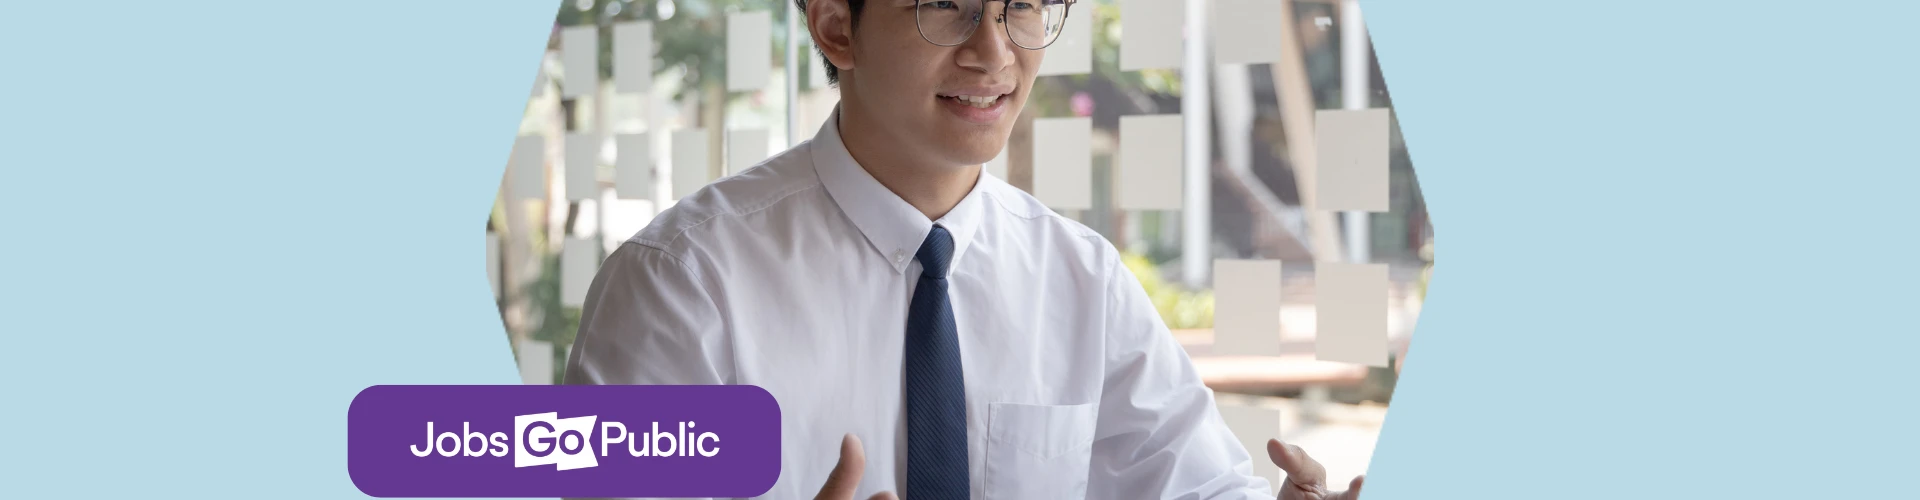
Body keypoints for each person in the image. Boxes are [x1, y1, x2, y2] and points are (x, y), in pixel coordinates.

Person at [564, 0, 1365, 497]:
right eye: (945, 6)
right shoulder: (680, 284)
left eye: (1021, 5)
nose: (995, 51)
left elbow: (1193, 486)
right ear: (836, 26)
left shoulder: (1082, 279)